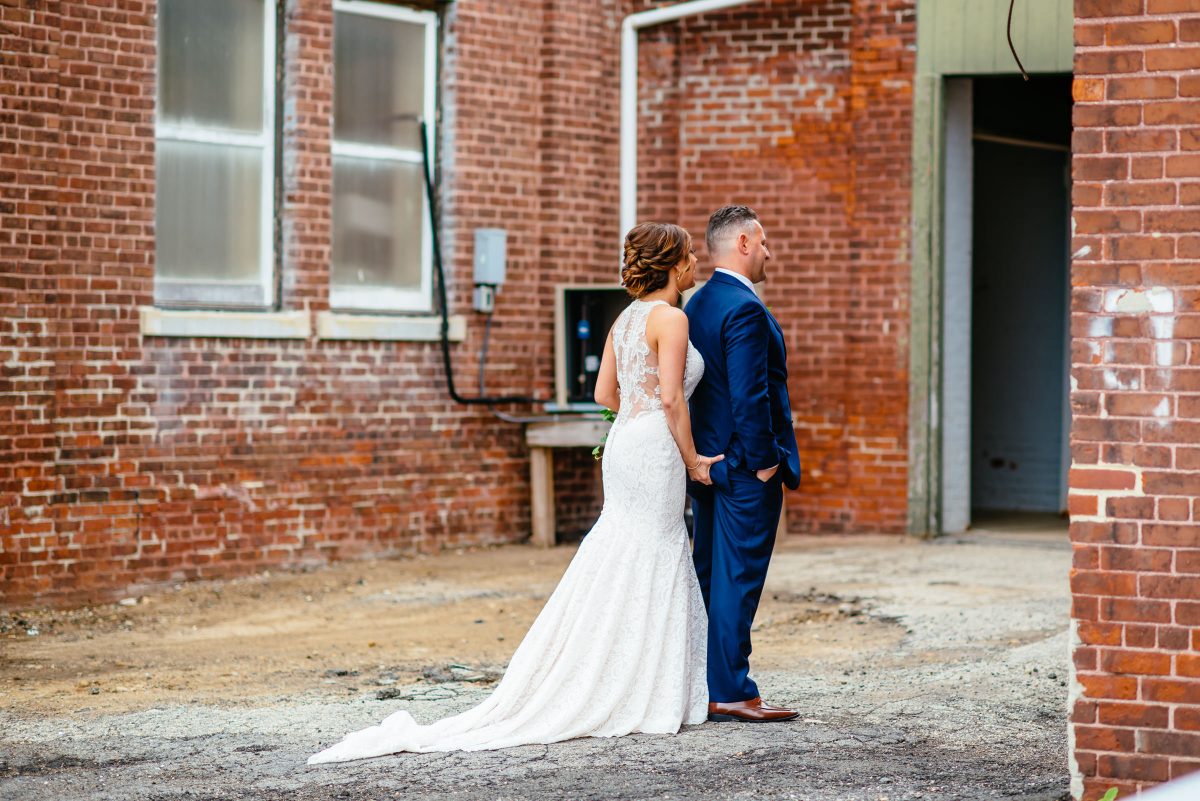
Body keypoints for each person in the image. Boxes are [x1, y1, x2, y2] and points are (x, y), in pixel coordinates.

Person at [307, 222, 722, 763]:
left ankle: (604, 667)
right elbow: (671, 399)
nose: (695, 263)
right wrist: (692, 459)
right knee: (654, 548)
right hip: (656, 447)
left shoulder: (624, 319)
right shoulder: (671, 317)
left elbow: (604, 392)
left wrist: (637, 419)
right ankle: (641, 683)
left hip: (626, 444)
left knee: (621, 545)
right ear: (673, 264)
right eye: (690, 255)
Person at [685, 205, 802, 723]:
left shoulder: (697, 303)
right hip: (742, 469)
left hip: (708, 465)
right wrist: (764, 462)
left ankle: (707, 683)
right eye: (764, 241)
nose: (770, 252)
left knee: (712, 576)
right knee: (738, 579)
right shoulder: (744, 308)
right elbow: (751, 394)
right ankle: (731, 690)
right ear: (744, 243)